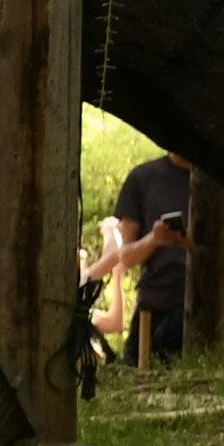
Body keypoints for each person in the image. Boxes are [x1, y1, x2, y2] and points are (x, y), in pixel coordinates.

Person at [88, 150, 198, 365]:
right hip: (153, 307)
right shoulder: (143, 178)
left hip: (204, 308)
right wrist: (154, 239)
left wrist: (198, 245)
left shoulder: (222, 183)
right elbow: (126, 257)